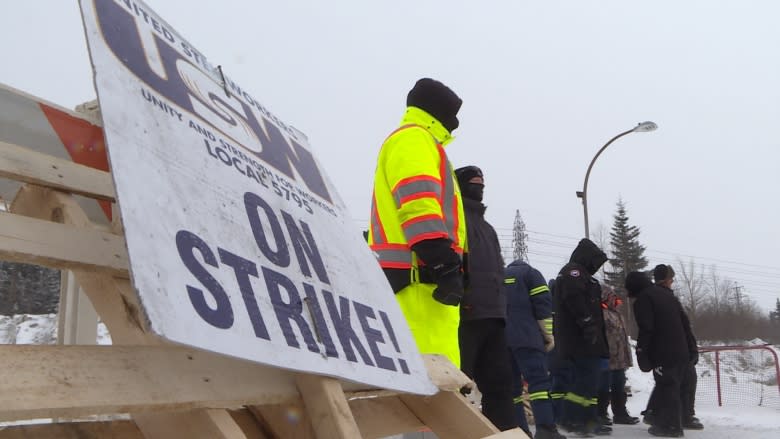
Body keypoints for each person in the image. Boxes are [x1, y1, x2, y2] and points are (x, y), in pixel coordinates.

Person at [367, 78, 466, 367]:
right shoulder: (414, 139)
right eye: (452, 113)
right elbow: (418, 204)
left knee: (438, 381)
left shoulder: (420, 142)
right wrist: (444, 264)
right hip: (417, 284)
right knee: (430, 383)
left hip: (421, 283)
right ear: (436, 111)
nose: (456, 122)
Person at [453, 165, 517, 431]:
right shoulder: (453, 220)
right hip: (465, 317)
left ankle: (500, 434)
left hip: (493, 317)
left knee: (501, 387)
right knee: (458, 387)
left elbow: (499, 272)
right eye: (473, 183)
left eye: (481, 183)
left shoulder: (487, 228)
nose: (479, 187)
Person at [554, 239, 611, 437]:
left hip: (589, 339)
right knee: (584, 380)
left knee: (591, 381)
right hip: (579, 339)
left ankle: (589, 419)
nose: (596, 268)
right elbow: (574, 298)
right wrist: (587, 322)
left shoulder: (586, 277)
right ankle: (570, 418)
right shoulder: (573, 272)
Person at [625, 270, 692, 438]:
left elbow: (647, 328)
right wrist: (692, 348)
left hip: (663, 351)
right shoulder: (666, 294)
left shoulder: (643, 299)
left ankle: (671, 427)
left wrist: (642, 352)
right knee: (672, 385)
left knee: (666, 385)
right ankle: (660, 418)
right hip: (681, 349)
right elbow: (685, 322)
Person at [504, 259, 566, 439]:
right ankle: (546, 429)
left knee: (513, 388)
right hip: (527, 338)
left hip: (502, 341)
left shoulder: (499, 275)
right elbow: (543, 306)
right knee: (538, 383)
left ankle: (520, 430)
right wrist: (548, 335)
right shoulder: (531, 274)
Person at [641, 265, 704, 431]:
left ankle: (685, 415)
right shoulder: (654, 297)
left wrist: (692, 349)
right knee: (669, 384)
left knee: (687, 381)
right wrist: (645, 352)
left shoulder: (670, 298)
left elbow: (685, 327)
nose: (672, 282)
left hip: (682, 350)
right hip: (668, 352)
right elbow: (648, 328)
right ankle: (660, 416)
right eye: (671, 279)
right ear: (665, 279)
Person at [596, 285, 639, 426]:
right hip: (606, 358)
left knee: (619, 386)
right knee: (603, 387)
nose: (614, 298)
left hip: (620, 359)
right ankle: (601, 414)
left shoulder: (617, 313)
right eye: (611, 295)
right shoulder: (600, 313)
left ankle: (620, 413)